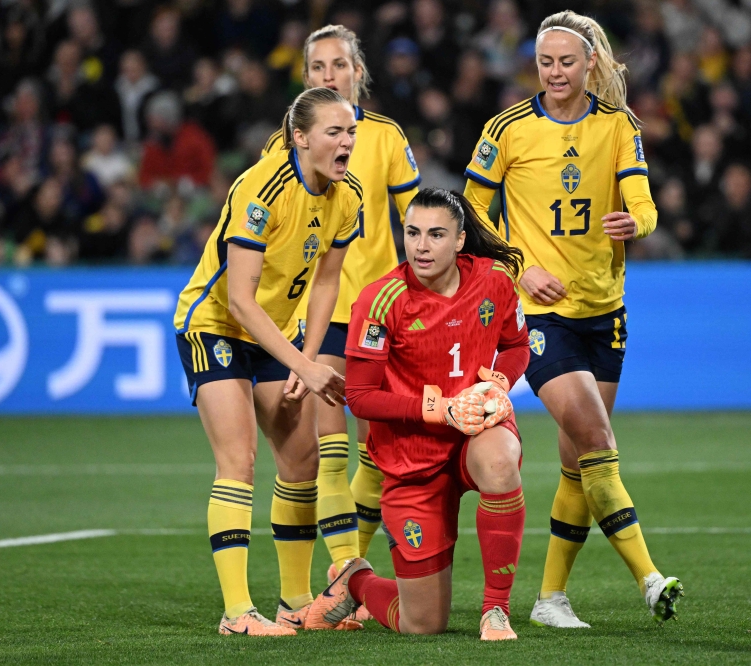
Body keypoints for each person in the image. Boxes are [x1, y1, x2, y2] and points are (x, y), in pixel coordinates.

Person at [462, 10, 684, 628]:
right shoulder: (507, 128)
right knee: (598, 440)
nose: (555, 72)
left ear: (590, 64)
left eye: (566, 61)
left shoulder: (618, 126)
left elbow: (643, 202)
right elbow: (474, 209)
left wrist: (635, 222)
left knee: (576, 461)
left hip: (604, 309)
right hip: (539, 313)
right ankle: (649, 577)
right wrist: (518, 266)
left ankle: (549, 599)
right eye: (545, 62)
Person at [172, 86, 361, 636]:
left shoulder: (347, 198)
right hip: (214, 326)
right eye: (334, 131)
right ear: (300, 137)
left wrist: (306, 353)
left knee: (301, 462)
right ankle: (236, 613)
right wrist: (303, 367)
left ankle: (296, 602)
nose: (346, 141)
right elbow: (238, 300)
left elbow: (327, 283)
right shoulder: (262, 188)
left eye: (349, 131)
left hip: (277, 334)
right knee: (240, 460)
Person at [302, 188, 529, 640]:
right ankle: (355, 579)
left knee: (501, 461)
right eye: (413, 233)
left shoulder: (495, 281)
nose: (421, 246)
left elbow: (518, 345)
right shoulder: (379, 301)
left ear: (461, 240)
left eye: (436, 234)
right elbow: (361, 397)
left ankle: (495, 611)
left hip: (475, 435)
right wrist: (441, 409)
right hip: (411, 458)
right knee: (422, 625)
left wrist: (498, 384)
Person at [260, 25, 420, 595]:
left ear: (359, 72)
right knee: (329, 450)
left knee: (377, 452)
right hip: (319, 312)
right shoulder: (290, 145)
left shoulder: (385, 136)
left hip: (379, 310)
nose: (330, 75)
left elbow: (414, 218)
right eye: (319, 68)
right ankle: (346, 572)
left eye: (340, 65)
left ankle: (347, 571)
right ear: (306, 79)